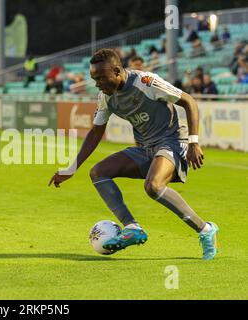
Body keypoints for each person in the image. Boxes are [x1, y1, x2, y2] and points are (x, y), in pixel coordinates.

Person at [49, 48, 218, 260]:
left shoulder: (146, 82)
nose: (97, 83)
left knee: (153, 186)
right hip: (144, 148)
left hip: (173, 141)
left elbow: (189, 102)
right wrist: (71, 168)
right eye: (94, 78)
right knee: (98, 172)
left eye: (101, 77)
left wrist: (194, 142)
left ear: (117, 71)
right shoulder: (105, 97)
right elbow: (95, 133)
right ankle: (132, 227)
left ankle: (205, 230)